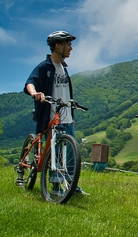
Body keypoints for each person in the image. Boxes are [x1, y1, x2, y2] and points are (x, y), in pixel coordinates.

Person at [24, 30, 87, 195]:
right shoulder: (45, 67)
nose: (71, 48)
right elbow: (30, 83)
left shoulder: (64, 68)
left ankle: (71, 185)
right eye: (68, 44)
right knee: (56, 152)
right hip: (51, 117)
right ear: (58, 45)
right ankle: (56, 187)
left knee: (72, 153)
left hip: (67, 117)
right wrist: (35, 93)